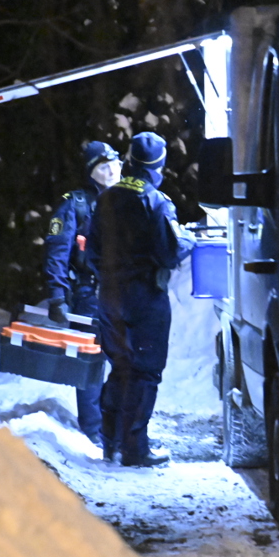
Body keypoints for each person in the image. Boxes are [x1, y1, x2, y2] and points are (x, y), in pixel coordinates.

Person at [88, 131, 194, 467]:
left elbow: (91, 251)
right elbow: (169, 253)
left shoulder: (106, 198)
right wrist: (188, 240)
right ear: (157, 167)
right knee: (145, 371)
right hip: (145, 298)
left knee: (120, 366)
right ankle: (135, 448)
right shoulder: (156, 201)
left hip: (109, 296)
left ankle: (110, 441)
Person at [42, 139, 121, 445]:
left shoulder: (128, 198)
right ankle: (94, 431)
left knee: (126, 363)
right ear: (91, 172)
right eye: (103, 165)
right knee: (90, 363)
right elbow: (57, 250)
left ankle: (121, 428)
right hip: (89, 293)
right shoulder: (74, 203)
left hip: (124, 293)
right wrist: (57, 295)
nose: (112, 169)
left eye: (115, 162)